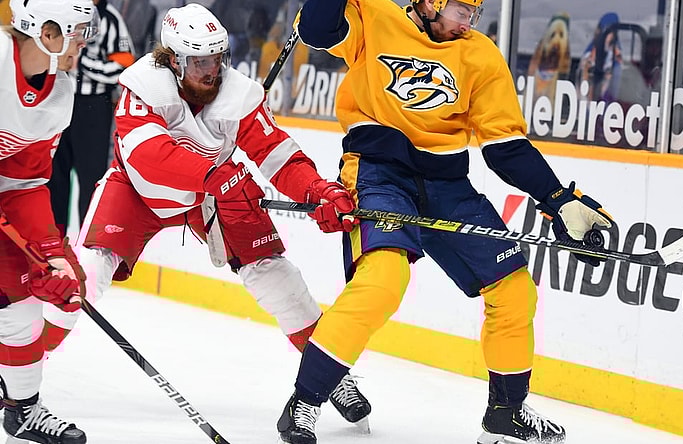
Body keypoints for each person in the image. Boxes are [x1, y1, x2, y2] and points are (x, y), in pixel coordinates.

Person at [276, 0, 615, 443]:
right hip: (378, 171)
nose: (468, 22)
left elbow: (505, 146)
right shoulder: (376, 17)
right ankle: (304, 402)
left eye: (474, 13)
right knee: (382, 281)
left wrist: (557, 200)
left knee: (513, 288)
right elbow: (319, 32)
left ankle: (506, 413)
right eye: (460, 10)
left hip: (447, 184)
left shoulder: (479, 53)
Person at [39, 3, 373, 431]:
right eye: (199, 61)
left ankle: (331, 377)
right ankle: (20, 370)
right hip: (138, 191)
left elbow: (278, 155)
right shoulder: (142, 84)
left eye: (217, 58)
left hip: (207, 195)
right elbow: (148, 156)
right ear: (174, 60)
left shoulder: (238, 94)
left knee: (275, 274)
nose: (211, 69)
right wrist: (218, 175)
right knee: (85, 274)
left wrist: (318, 189)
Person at [0, 0, 97, 442]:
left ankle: (22, 409)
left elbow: (26, 183)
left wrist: (50, 254)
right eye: (76, 32)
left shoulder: (60, 92)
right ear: (47, 32)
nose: (82, 42)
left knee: (22, 304)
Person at [48, 0, 135, 238]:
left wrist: (84, 63)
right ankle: (53, 241)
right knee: (54, 175)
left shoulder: (111, 19)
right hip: (57, 101)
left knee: (91, 178)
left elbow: (125, 65)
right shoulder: (59, 11)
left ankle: (88, 242)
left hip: (92, 108)